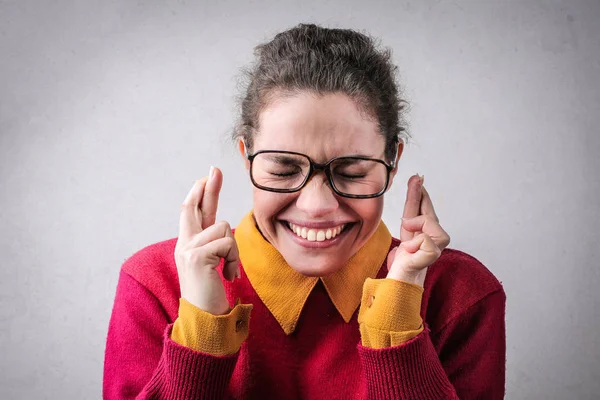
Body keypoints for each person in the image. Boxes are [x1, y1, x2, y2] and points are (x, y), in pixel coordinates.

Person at [103, 24, 506, 399]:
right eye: (282, 168)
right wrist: (201, 331)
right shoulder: (154, 283)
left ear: (393, 160)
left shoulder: (462, 293)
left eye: (351, 172)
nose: (317, 206)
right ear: (247, 158)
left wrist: (396, 325)